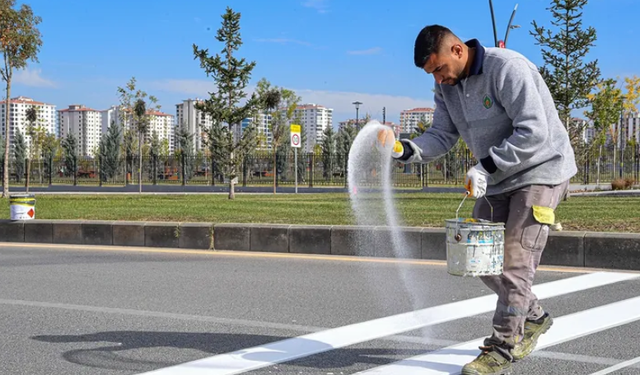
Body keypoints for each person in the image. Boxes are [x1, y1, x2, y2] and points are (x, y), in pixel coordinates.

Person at [376, 25, 577, 375]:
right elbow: (441, 135)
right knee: (479, 256)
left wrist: (485, 166)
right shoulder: (446, 87)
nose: (438, 79)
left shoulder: (508, 68)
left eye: (439, 69)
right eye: (431, 74)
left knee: (515, 260)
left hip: (542, 171)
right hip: (498, 178)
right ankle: (534, 316)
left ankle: (502, 347)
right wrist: (402, 149)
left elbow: (534, 131)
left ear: (457, 50)